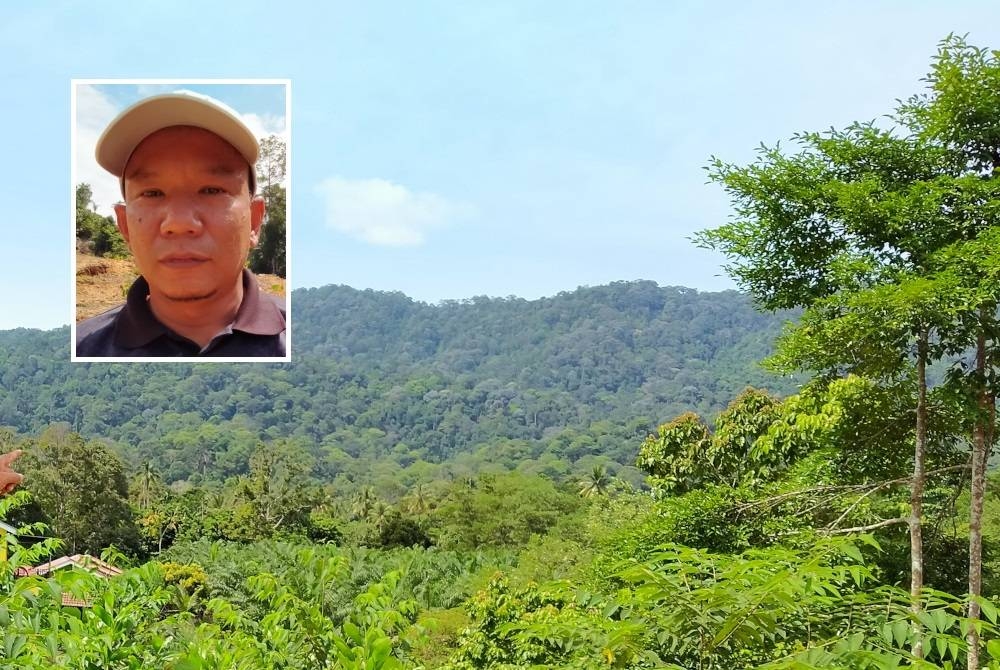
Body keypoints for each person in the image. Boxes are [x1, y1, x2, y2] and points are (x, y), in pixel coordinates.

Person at [75, 90, 286, 357]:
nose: (179, 222)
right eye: (152, 193)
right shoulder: (80, 351)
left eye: (211, 190)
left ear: (255, 221)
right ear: (125, 226)